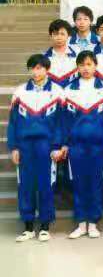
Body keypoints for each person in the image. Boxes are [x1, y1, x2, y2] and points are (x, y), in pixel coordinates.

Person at [60, 51, 103, 239]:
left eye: (89, 64)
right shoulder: (68, 90)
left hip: (98, 145)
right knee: (78, 183)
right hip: (76, 145)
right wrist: (65, 143)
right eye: (82, 64)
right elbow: (64, 121)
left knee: (96, 183)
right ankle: (81, 223)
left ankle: (93, 223)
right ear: (77, 67)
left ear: (95, 66)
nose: (85, 68)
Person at [9, 54, 63, 242]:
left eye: (40, 68)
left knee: (46, 185)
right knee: (25, 185)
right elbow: (13, 123)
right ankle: (28, 227)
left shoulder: (57, 91)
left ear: (47, 69)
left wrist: (57, 146)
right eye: (32, 68)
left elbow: (60, 123)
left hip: (46, 146)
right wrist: (14, 147)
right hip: (25, 146)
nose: (36, 71)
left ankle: (45, 226)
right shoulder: (20, 92)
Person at [44, 19, 78, 87]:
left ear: (68, 36)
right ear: (51, 36)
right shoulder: (43, 58)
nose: (59, 37)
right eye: (56, 34)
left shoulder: (77, 55)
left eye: (62, 34)